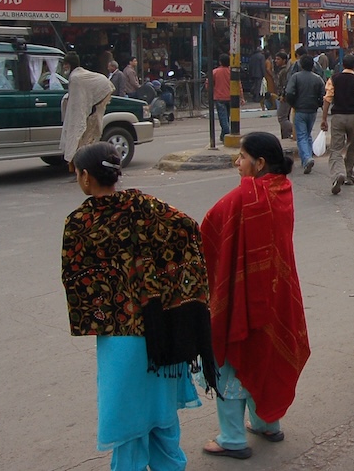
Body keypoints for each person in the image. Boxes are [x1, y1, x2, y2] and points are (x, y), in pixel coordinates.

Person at [61, 142, 216, 470]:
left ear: (87, 178)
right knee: (162, 422)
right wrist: (172, 292)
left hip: (122, 338)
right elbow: (189, 230)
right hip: (161, 330)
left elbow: (78, 282)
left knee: (129, 428)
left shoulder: (80, 222)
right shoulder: (146, 206)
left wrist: (107, 309)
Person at [201, 133, 310, 459]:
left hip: (244, 295)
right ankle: (267, 423)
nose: (237, 163)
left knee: (233, 359)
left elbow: (210, 228)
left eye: (242, 157)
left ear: (259, 163)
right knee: (266, 355)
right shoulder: (282, 190)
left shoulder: (244, 198)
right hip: (276, 293)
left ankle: (232, 438)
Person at [320, 55, 354, 194]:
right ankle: (349, 175)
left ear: (343, 65)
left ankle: (338, 173)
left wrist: (324, 118)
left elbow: (327, 99)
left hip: (338, 116)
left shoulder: (334, 79)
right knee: (351, 146)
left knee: (335, 148)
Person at [60, 52, 115, 165]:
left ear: (69, 64)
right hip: (90, 111)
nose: (64, 67)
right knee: (84, 142)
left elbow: (78, 103)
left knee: (82, 142)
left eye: (65, 64)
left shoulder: (76, 77)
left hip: (90, 113)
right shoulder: (78, 76)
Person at [284, 55, 325, 175]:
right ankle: (306, 158)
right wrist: (317, 105)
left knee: (301, 135)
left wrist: (293, 104)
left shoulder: (295, 77)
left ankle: (307, 158)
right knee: (307, 134)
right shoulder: (318, 79)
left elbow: (289, 93)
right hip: (312, 111)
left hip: (300, 110)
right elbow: (323, 96)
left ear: (301, 65)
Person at [211, 55, 233, 137]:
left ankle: (226, 133)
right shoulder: (232, 72)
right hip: (230, 97)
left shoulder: (215, 72)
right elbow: (238, 84)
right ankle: (223, 135)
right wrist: (241, 97)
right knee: (226, 116)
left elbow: (208, 84)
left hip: (219, 97)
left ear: (220, 62)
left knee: (223, 117)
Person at [273, 51, 292, 140]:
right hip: (282, 96)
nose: (276, 61)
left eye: (278, 59)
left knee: (281, 117)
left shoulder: (284, 71)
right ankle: (286, 136)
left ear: (284, 60)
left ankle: (295, 129)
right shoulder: (281, 70)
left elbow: (284, 84)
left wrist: (282, 95)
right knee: (285, 117)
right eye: (275, 59)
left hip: (284, 97)